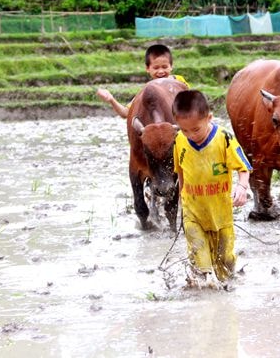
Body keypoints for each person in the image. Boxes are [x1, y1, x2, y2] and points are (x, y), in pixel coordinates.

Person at [172, 90, 252, 290]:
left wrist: (242, 187)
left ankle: (228, 284)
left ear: (209, 118)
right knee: (200, 257)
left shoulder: (224, 139)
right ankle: (204, 293)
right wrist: (181, 201)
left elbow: (244, 168)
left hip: (220, 212)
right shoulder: (179, 140)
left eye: (196, 129)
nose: (191, 135)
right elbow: (180, 172)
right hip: (193, 210)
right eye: (184, 130)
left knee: (225, 260)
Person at [96, 44, 189, 118]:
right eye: (156, 68)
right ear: (148, 68)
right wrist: (111, 99)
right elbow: (126, 113)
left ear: (171, 66)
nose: (161, 71)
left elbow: (191, 105)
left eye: (165, 67)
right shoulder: (146, 91)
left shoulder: (179, 82)